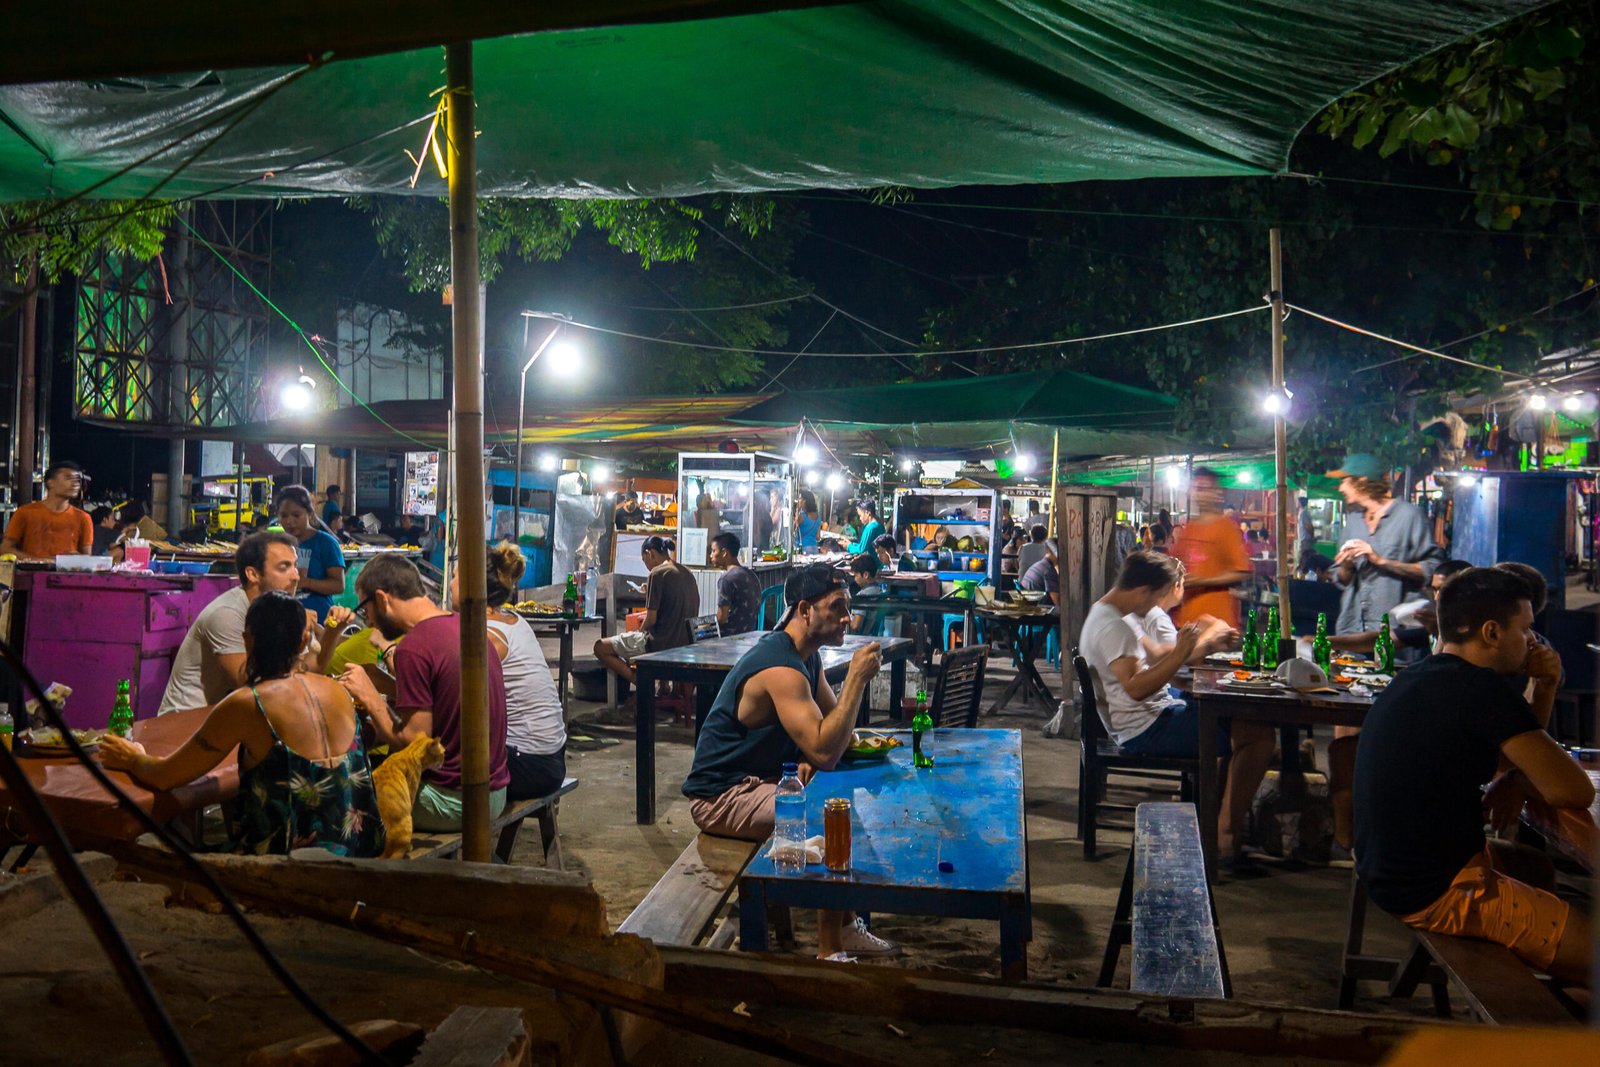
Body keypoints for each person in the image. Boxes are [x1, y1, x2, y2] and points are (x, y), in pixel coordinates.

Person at [1353, 567, 1593, 985]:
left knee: (1533, 868)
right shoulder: (1480, 691)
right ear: (1492, 633)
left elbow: (1516, 762)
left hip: (1388, 872)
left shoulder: (1420, 676)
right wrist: (1546, 680)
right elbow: (1571, 789)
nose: (1533, 641)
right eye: (1525, 629)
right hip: (1441, 891)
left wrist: (1544, 687)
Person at [682, 563, 895, 961]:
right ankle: (830, 949)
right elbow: (826, 749)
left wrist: (806, 753)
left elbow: (835, 734)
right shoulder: (781, 667)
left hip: (760, 783)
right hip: (722, 795)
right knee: (827, 815)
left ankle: (846, 925)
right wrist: (854, 682)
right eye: (836, 607)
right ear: (804, 610)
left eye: (848, 607)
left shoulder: (805, 657)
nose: (847, 618)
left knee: (838, 799)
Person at [101, 590, 385, 858]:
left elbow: (166, 777)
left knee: (154, 846)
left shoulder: (248, 703)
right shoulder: (337, 690)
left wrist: (132, 757)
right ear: (304, 640)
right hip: (359, 850)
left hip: (283, 862)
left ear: (247, 640)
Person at [1079, 550, 1273, 865]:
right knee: (1259, 737)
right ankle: (1225, 834)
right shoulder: (1114, 626)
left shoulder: (1106, 615)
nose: (1156, 604)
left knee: (1235, 720)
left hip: (1148, 718)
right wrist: (1181, 652)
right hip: (1144, 730)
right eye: (1156, 596)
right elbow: (1137, 688)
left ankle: (1212, 816)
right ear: (1143, 590)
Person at [339, 554, 511, 831]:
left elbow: (414, 741)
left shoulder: (414, 646)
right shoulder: (463, 625)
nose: (368, 621)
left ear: (382, 598)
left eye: (364, 608)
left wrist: (369, 695)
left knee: (340, 795)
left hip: (454, 802)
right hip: (495, 792)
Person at [461, 542, 567, 801]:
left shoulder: (486, 635)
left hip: (528, 765)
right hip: (552, 757)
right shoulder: (512, 619)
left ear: (472, 585)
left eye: (455, 577)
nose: (451, 582)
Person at [159, 531, 307, 715]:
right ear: (253, 574)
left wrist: (331, 633)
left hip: (230, 714)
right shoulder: (227, 614)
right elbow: (247, 682)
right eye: (284, 567)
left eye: (295, 566)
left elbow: (311, 668)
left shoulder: (281, 610)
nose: (296, 577)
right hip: (187, 718)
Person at [1329, 454, 1445, 637]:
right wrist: (1346, 566)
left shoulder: (1408, 516)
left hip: (1396, 636)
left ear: (1362, 480)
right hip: (1352, 632)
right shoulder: (1353, 521)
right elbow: (1341, 579)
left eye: (1345, 480)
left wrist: (1381, 561)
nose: (1341, 487)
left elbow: (1432, 570)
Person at [593, 534, 700, 688]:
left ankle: (642, 683)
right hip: (684, 644)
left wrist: (639, 633)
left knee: (600, 647)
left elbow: (651, 619)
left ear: (651, 553)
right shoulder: (687, 574)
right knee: (660, 631)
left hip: (660, 645)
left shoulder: (657, 573)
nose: (647, 566)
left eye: (645, 560)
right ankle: (663, 687)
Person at [1169, 468, 1249, 630]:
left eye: (1205, 489)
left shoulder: (1226, 528)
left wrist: (1203, 581)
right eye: (1197, 489)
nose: (1200, 494)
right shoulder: (1188, 528)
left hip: (1216, 622)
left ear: (1217, 493)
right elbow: (1173, 565)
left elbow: (1242, 571)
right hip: (1185, 621)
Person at [275, 484, 346, 624]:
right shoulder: (278, 544)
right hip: (285, 619)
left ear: (310, 513)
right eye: (284, 516)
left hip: (319, 619)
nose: (289, 521)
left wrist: (306, 582)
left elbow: (338, 585)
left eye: (296, 515)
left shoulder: (326, 543)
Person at [1, 460, 92, 560]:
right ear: (51, 483)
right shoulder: (25, 513)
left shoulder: (83, 518)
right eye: (68, 478)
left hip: (67, 574)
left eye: (77, 480)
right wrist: (39, 561)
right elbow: (5, 549)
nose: (75, 484)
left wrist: (74, 559)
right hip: (30, 574)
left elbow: (86, 557)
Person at [848, 552, 886, 634]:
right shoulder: (880, 592)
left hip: (861, 640)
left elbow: (855, 625)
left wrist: (845, 622)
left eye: (856, 575)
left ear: (865, 575)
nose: (855, 579)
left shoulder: (862, 596)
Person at [1295, 495, 1318, 575]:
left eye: (1297, 501)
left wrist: (1312, 536)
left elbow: (1307, 526)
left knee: (1303, 559)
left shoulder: (1303, 513)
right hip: (1304, 539)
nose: (1296, 503)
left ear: (1300, 503)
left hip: (1305, 540)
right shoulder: (1303, 512)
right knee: (1303, 558)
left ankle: (1301, 576)